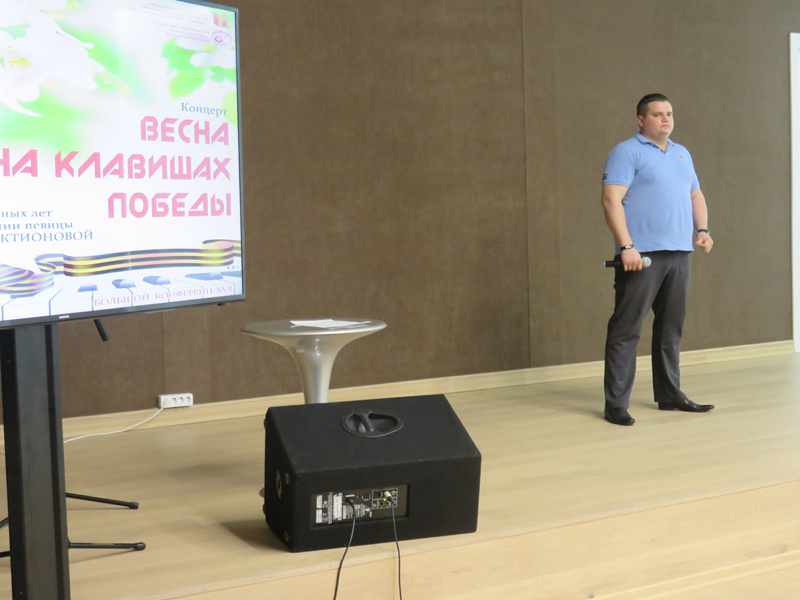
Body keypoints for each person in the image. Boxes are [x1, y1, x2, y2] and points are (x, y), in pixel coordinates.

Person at [600, 93, 714, 426]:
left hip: (679, 252)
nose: (666, 119)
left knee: (670, 328)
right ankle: (616, 404)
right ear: (641, 120)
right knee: (626, 329)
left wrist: (703, 230)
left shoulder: (682, 153)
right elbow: (610, 200)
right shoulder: (626, 152)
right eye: (657, 114)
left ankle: (669, 394)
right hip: (641, 255)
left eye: (669, 114)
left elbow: (695, 194)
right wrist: (627, 246)